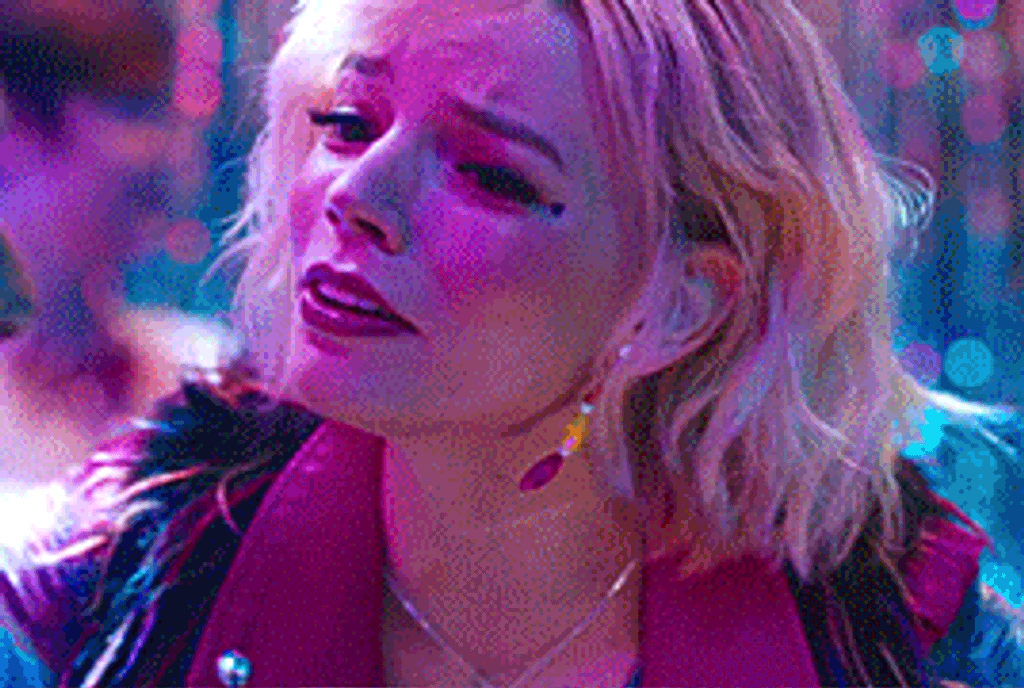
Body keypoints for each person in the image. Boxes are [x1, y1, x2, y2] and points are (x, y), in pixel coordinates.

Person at [1, 0, 1023, 686]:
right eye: (349, 122)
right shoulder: (106, 590)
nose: (357, 196)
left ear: (683, 302)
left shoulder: (904, 636)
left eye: (490, 174)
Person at [0, 1, 234, 495]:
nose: (177, 150)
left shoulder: (200, 371)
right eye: (139, 110)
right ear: (20, 124)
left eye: (177, 116)